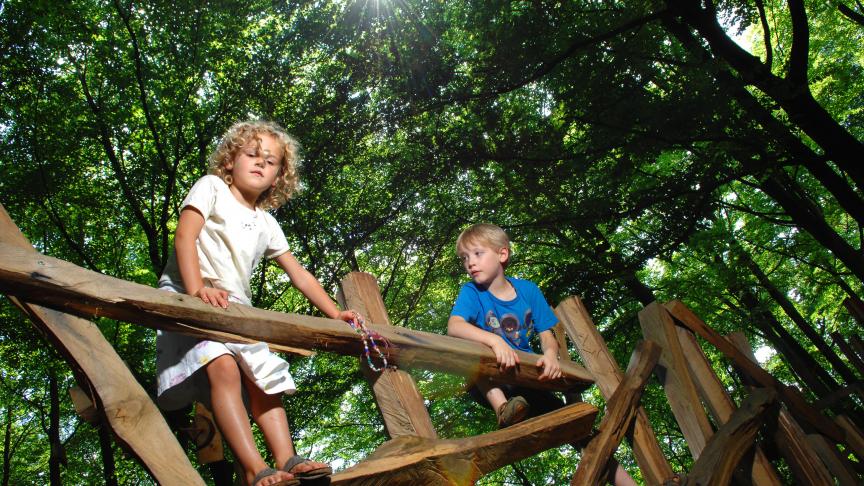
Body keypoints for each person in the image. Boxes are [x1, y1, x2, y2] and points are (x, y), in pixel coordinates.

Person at [156, 120, 357, 486]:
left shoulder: (266, 223)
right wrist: (199, 289)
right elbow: (185, 237)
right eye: (252, 154)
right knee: (223, 365)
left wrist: (335, 312)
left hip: (235, 310)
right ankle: (253, 466)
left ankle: (287, 458)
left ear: (279, 177)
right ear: (230, 161)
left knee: (264, 376)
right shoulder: (211, 187)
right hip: (190, 296)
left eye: (271, 161)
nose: (261, 163)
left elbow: (300, 275)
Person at [447, 223, 636, 486]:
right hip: (490, 379)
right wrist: (494, 341)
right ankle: (502, 409)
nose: (470, 263)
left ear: (502, 254)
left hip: (525, 377)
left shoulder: (528, 290)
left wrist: (549, 356)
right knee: (474, 350)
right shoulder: (471, 292)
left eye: (477, 254)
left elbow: (547, 332)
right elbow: (454, 326)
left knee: (581, 433)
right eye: (464, 258)